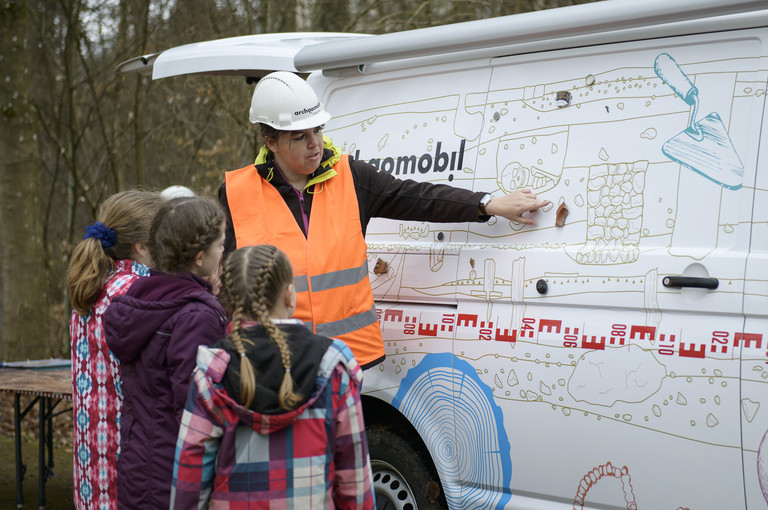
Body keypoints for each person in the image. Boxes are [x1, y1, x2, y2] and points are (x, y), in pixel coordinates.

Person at [220, 71, 550, 370]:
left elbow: (417, 197)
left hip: (344, 361)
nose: (314, 143)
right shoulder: (236, 193)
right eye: (299, 136)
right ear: (270, 141)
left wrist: (487, 204)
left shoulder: (350, 176)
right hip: (269, 364)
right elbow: (226, 284)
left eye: (318, 129)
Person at [170, 245, 375, 509]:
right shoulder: (333, 367)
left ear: (231, 302)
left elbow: (189, 479)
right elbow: (355, 480)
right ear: (290, 295)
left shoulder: (213, 371)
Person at [103, 196, 228, 509]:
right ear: (199, 257)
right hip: (175, 479)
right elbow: (197, 411)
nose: (224, 251)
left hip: (139, 467)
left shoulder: (142, 298)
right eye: (221, 244)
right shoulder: (196, 316)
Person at [67, 189, 163, 510]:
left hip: (91, 466)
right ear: (143, 246)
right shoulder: (140, 293)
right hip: (129, 463)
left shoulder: (94, 284)